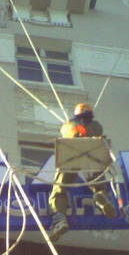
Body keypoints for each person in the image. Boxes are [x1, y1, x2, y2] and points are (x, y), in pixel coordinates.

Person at [48, 103, 117, 243]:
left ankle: (60, 219)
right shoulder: (97, 126)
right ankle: (101, 198)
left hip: (71, 156)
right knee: (98, 184)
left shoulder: (69, 125)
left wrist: (75, 128)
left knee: (59, 190)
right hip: (93, 155)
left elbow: (69, 134)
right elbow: (93, 134)